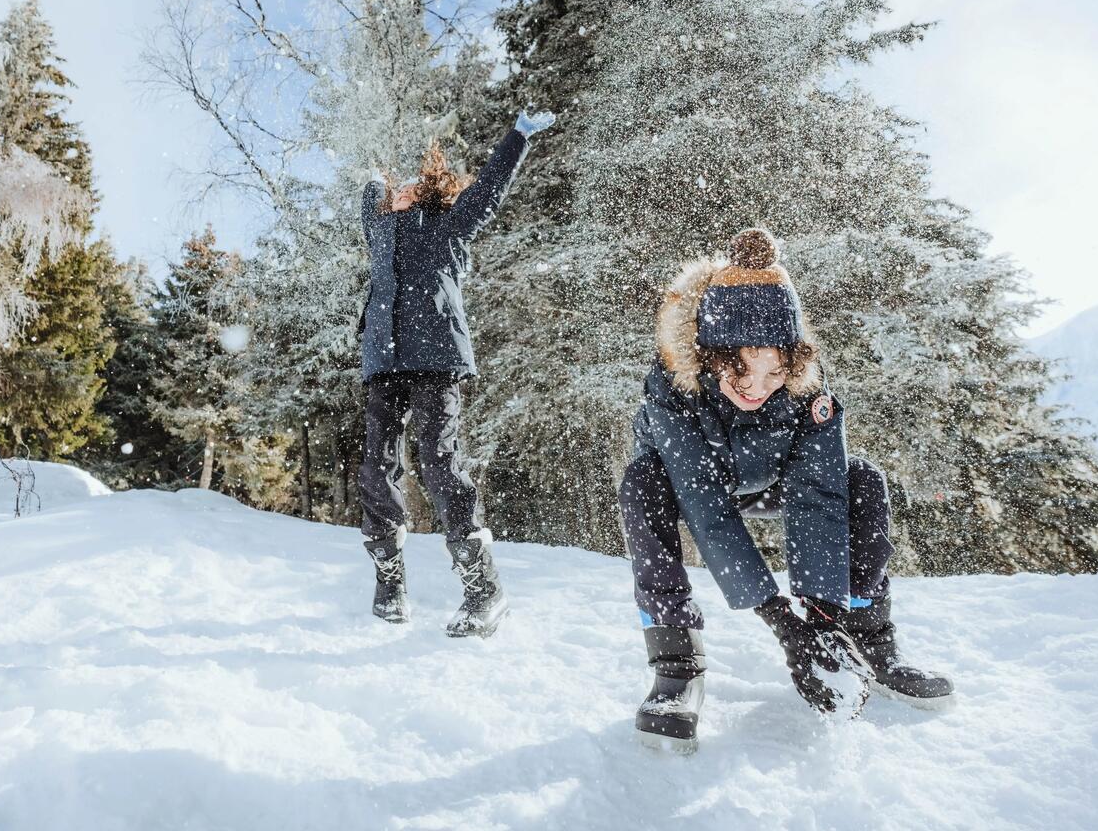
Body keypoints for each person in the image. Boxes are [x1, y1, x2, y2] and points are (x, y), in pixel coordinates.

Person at [619, 227, 953, 750]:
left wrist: (819, 618)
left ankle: (867, 642)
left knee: (860, 478)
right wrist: (782, 623)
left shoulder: (809, 394)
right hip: (695, 487)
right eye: (740, 370)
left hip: (773, 484)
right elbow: (706, 508)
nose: (757, 387)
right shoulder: (671, 387)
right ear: (710, 355)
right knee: (641, 483)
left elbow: (818, 493)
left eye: (774, 370)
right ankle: (676, 666)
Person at [356, 110, 554, 638]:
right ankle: (389, 580)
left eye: (408, 185)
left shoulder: (449, 224)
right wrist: (375, 168)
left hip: (436, 358)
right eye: (392, 188)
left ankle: (482, 587)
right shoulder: (378, 228)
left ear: (426, 192)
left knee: (437, 460)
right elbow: (368, 190)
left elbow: (488, 190)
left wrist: (517, 137)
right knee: (375, 468)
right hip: (384, 361)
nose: (397, 190)